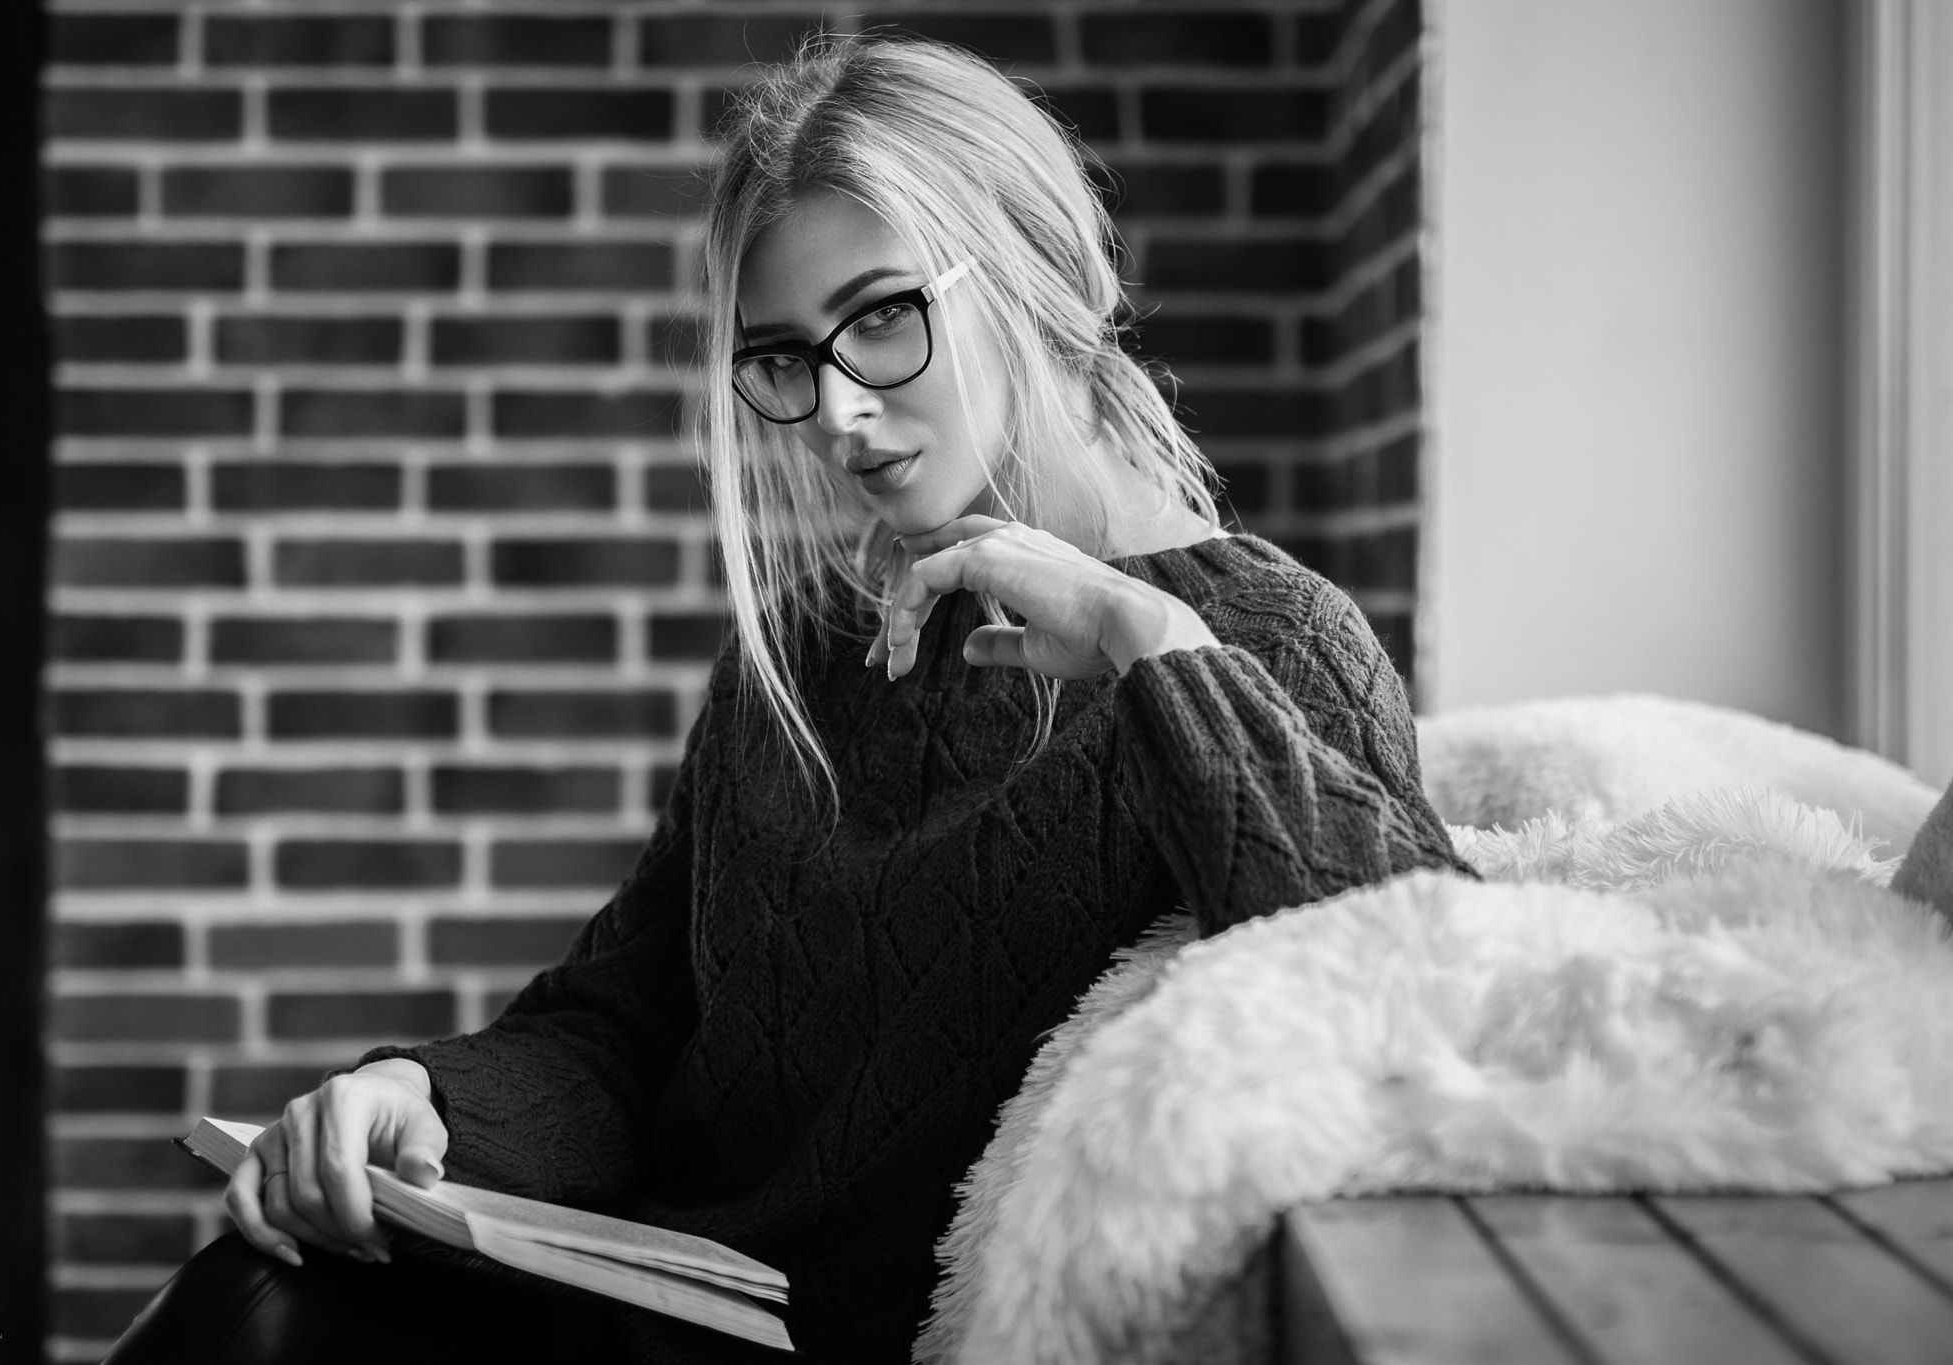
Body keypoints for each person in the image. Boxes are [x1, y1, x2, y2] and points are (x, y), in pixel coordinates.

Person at [102, 33, 1470, 1365]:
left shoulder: (1255, 642)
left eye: (882, 319)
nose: (830, 414)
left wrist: (1147, 638)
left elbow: (1418, 992)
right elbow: (623, 1020)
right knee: (265, 1289)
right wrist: (419, 1096)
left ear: (1035, 273)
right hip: (639, 1304)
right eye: (780, 358)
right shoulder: (814, 642)